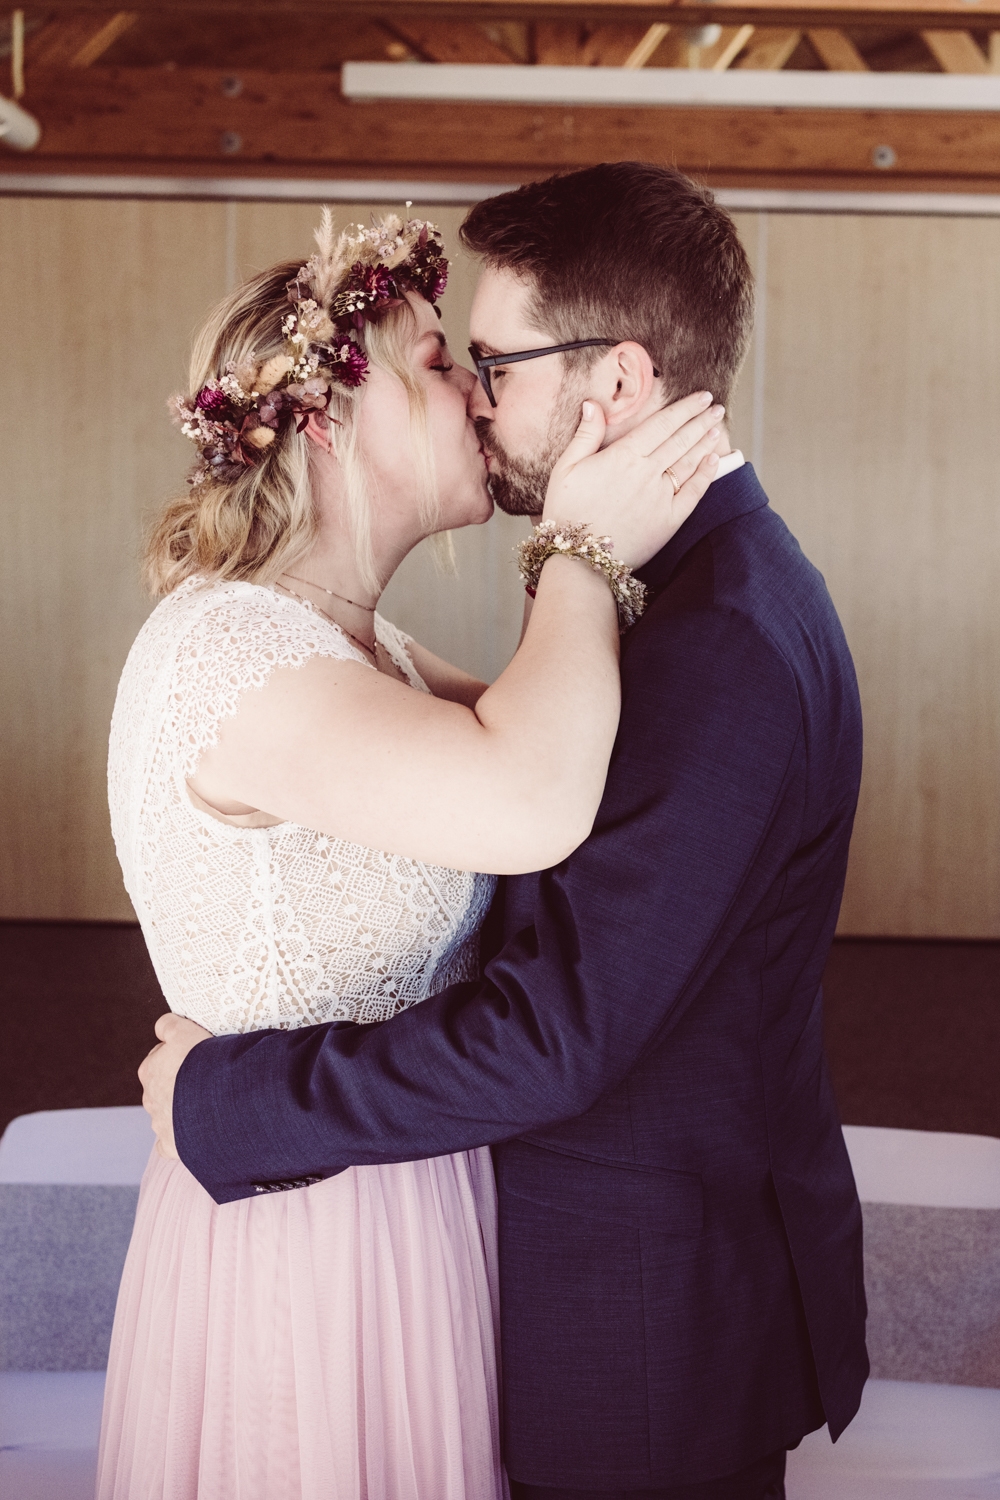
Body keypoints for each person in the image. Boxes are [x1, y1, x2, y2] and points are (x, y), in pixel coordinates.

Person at [144, 163, 871, 1499]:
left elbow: (561, 1032)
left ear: (620, 385)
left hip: (641, 1316)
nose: (477, 398)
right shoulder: (687, 593)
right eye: (453, 367)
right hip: (564, 1273)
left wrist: (226, 1101)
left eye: (495, 362)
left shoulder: (717, 640)